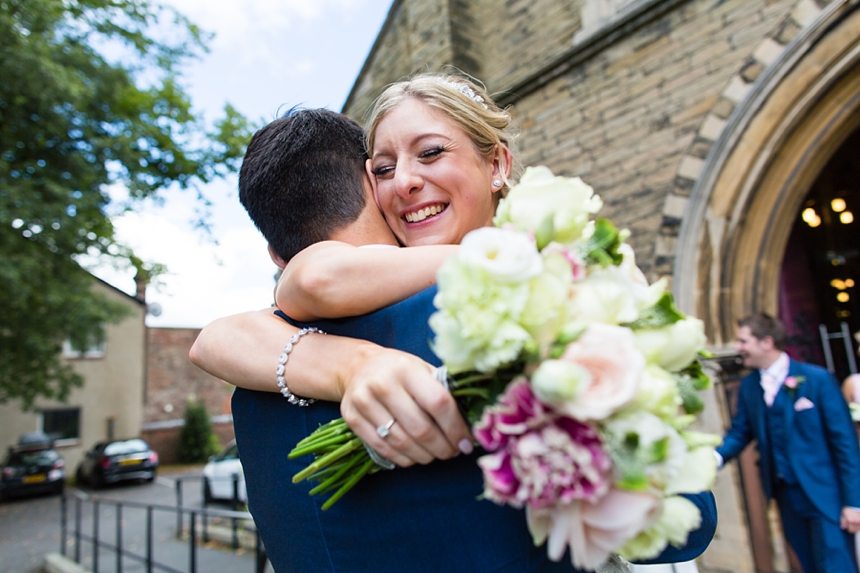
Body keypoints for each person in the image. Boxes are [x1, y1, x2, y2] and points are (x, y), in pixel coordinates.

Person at [191, 73, 716, 571]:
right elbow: (684, 526)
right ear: (365, 188)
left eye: (432, 152)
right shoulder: (498, 319)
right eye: (383, 168)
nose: (406, 182)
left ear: (497, 165)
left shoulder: (254, 382)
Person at [716, 313, 860, 573]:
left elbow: (845, 444)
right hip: (785, 495)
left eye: (743, 341)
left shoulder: (817, 379)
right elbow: (740, 433)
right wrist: (713, 459)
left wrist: (854, 501)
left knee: (836, 566)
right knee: (808, 565)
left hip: (827, 494)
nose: (738, 348)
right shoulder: (749, 387)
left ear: (766, 342)